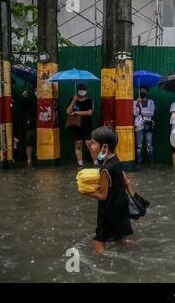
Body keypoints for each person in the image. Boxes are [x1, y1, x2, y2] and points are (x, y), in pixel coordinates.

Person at [82, 126, 134, 255]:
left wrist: (85, 191)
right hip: (121, 207)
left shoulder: (105, 169)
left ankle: (102, 262)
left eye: (93, 143)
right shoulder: (116, 161)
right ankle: (137, 249)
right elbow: (127, 182)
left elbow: (103, 195)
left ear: (104, 147)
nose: (91, 147)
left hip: (109, 210)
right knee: (121, 239)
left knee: (99, 241)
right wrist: (134, 200)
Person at [66, 83, 97, 169]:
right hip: (76, 126)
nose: (82, 91)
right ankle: (80, 164)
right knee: (78, 145)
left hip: (87, 126)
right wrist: (73, 100)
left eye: (83, 89)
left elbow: (89, 112)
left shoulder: (89, 100)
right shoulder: (73, 99)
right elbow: (68, 112)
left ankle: (96, 163)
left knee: (90, 144)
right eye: (80, 89)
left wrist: (76, 112)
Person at [133, 86, 155, 164]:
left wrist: (141, 112)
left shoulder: (151, 102)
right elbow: (134, 113)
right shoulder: (135, 102)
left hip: (148, 125)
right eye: (141, 91)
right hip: (138, 126)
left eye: (144, 91)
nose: (142, 92)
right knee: (139, 146)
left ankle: (151, 162)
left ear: (147, 92)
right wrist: (137, 105)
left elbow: (151, 113)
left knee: (149, 145)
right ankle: (139, 162)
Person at [20, 90, 36, 167]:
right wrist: (24, 97)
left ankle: (29, 160)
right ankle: (29, 160)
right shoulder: (29, 101)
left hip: (37, 122)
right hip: (31, 123)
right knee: (29, 140)